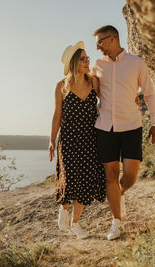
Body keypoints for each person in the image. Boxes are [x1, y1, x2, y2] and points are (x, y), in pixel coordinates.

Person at [92, 25, 155, 240]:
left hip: (131, 126)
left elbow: (148, 93)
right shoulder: (97, 65)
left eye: (100, 41)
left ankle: (117, 194)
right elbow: (84, 88)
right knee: (111, 174)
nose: (98, 46)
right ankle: (116, 221)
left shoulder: (136, 63)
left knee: (130, 176)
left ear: (112, 38)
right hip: (105, 127)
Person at [49, 41, 106, 239]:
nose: (87, 61)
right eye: (83, 59)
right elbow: (57, 116)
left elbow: (108, 100)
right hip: (69, 140)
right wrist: (51, 141)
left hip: (90, 139)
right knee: (69, 178)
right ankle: (64, 209)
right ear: (74, 63)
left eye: (87, 58)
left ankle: (75, 224)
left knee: (84, 182)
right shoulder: (61, 86)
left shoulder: (93, 82)